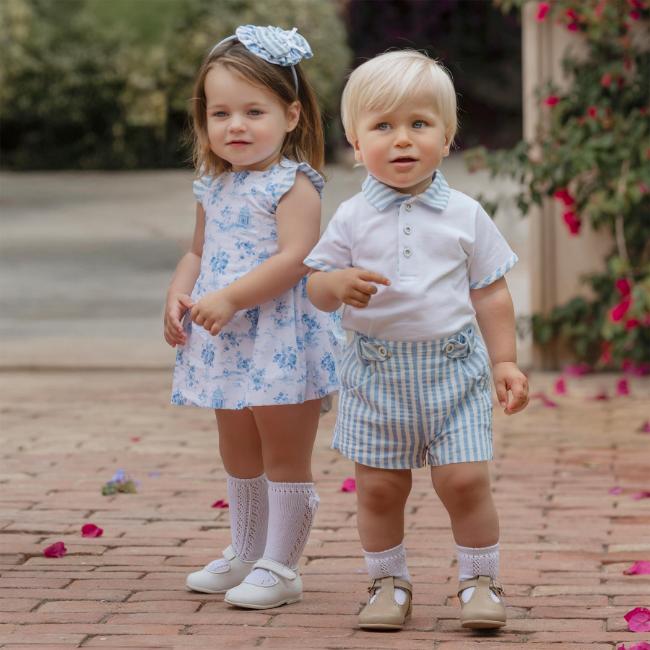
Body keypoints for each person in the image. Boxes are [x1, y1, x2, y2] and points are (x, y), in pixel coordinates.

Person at [304, 50, 529, 631]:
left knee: (465, 480)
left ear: (447, 137)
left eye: (419, 124)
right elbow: (316, 289)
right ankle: (387, 583)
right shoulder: (352, 217)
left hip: (454, 371)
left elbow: (490, 291)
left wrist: (504, 359)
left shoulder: (465, 213)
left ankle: (480, 581)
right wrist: (335, 283)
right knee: (379, 489)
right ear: (356, 142)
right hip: (375, 375)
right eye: (383, 127)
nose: (402, 140)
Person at [164, 25, 339, 610]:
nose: (235, 125)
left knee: (283, 453)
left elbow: (296, 259)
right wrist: (178, 294)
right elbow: (197, 251)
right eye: (220, 113)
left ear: (291, 115)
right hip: (223, 336)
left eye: (252, 111)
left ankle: (282, 567)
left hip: (279, 337)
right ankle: (246, 549)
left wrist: (233, 297)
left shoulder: (295, 186)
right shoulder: (212, 186)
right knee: (237, 447)